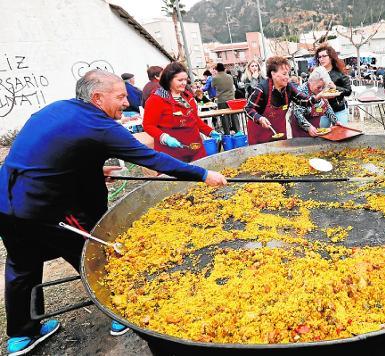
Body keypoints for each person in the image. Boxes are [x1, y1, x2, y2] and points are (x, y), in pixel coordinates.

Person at [0, 69, 227, 356]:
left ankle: (22, 335)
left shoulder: (58, 110)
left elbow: (51, 156)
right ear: (97, 97)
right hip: (46, 208)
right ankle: (121, 315)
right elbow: (150, 157)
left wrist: (95, 169)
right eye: (120, 96)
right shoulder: (99, 124)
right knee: (98, 255)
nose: (126, 102)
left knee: (22, 264)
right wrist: (202, 173)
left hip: (6, 204)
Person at [143, 62, 218, 163]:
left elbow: (195, 120)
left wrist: (210, 132)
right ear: (169, 80)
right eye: (180, 80)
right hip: (171, 153)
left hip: (195, 148)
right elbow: (148, 125)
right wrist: (165, 138)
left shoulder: (188, 96)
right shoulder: (156, 99)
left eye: (185, 80)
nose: (184, 83)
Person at [244, 56, 318, 145]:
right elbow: (248, 108)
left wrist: (318, 97)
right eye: (284, 74)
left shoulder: (288, 87)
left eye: (288, 74)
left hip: (278, 132)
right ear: (273, 74)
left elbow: (304, 101)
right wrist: (259, 118)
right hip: (259, 133)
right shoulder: (262, 88)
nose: (287, 77)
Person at [291, 66, 337, 137]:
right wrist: (308, 127)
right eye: (319, 87)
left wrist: (336, 121)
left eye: (323, 87)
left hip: (315, 128)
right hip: (300, 130)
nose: (321, 90)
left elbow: (326, 107)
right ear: (310, 82)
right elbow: (298, 114)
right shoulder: (301, 92)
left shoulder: (321, 91)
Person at [314, 44, 352, 124]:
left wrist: (335, 87)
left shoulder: (340, 73)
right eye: (319, 57)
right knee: (322, 135)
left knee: (341, 134)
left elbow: (348, 91)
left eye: (324, 56)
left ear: (331, 57)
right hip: (322, 110)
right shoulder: (316, 73)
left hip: (339, 109)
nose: (321, 59)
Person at [212, 63, 240, 134]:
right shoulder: (230, 77)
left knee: (224, 117)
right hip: (231, 99)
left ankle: (227, 133)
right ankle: (238, 132)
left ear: (217, 69)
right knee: (234, 116)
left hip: (221, 100)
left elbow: (212, 86)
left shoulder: (215, 78)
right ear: (224, 69)